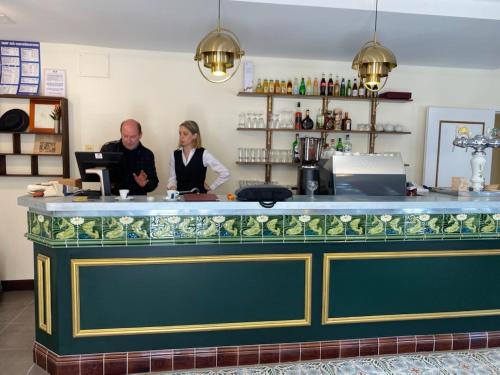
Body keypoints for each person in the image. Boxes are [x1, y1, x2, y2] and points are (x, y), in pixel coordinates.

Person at [167, 120, 229, 193]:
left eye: (185, 134)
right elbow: (172, 178)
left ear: (194, 136)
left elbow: (225, 173)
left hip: (199, 199)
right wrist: (172, 187)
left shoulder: (203, 154)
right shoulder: (175, 155)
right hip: (181, 199)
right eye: (180, 133)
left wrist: (212, 187)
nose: (181, 137)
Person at [101, 119, 159, 195]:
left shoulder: (147, 154)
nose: (128, 141)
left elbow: (154, 182)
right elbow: (98, 174)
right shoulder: (108, 149)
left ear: (140, 135)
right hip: (112, 198)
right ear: (121, 134)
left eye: (133, 137)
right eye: (125, 136)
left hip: (138, 200)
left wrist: (145, 184)